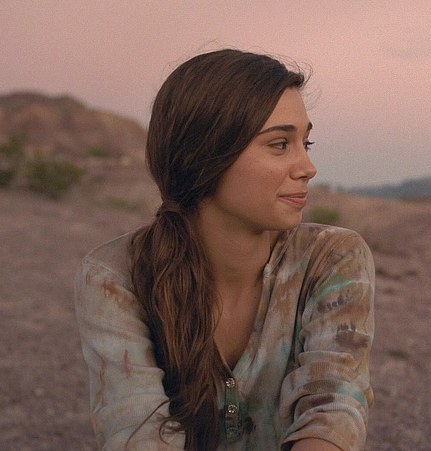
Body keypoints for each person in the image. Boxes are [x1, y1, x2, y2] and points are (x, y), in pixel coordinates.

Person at [75, 49, 374, 450]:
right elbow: (135, 428)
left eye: (306, 142)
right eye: (280, 144)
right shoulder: (115, 276)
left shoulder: (331, 257)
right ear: (204, 155)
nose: (307, 167)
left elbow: (333, 411)